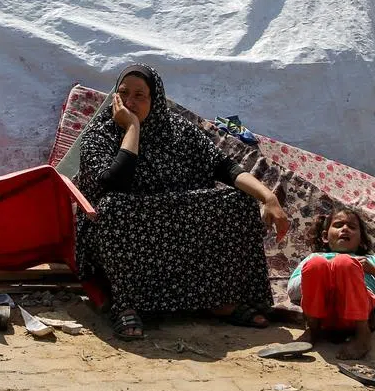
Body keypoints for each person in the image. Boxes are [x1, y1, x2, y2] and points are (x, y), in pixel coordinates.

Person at [74, 64, 290, 341]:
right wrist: (132, 128)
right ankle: (126, 304)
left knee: (240, 202)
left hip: (175, 219)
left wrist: (269, 197)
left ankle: (221, 300)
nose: (129, 102)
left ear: (156, 99)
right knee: (116, 207)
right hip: (120, 227)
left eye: (140, 95)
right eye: (124, 93)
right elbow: (115, 182)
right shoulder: (99, 136)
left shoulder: (181, 132)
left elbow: (225, 168)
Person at [287, 207, 375, 359]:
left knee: (344, 262)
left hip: (355, 317)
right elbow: (292, 292)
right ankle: (312, 329)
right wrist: (322, 272)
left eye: (352, 227)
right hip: (322, 315)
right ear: (325, 236)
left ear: (361, 239)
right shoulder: (314, 257)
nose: (345, 229)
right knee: (317, 263)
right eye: (338, 225)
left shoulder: (372, 261)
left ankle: (362, 334)